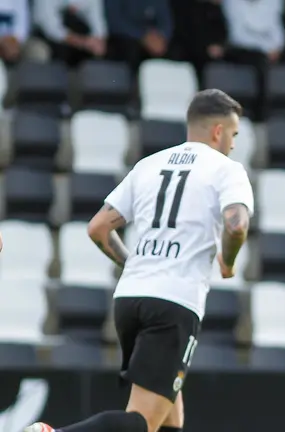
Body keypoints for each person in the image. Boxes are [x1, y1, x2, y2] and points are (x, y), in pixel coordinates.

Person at [25, 89, 254, 432]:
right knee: (141, 422)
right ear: (218, 131)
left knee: (169, 418)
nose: (233, 145)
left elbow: (99, 228)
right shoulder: (226, 169)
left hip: (130, 298)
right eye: (233, 135)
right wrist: (229, 262)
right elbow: (236, 225)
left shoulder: (149, 165)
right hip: (175, 302)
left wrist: (134, 263)